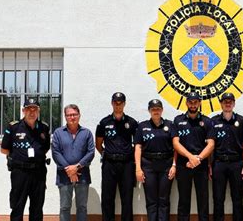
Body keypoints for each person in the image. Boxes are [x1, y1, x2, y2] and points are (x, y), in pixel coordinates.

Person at [0, 97, 51, 221]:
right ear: (23, 110)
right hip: (20, 172)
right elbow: (4, 149)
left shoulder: (44, 128)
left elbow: (45, 148)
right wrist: (19, 156)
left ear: (38, 111)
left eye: (35, 109)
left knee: (37, 207)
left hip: (39, 173)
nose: (32, 112)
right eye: (29, 109)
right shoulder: (14, 127)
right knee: (17, 207)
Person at [96, 92, 138, 221]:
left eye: (120, 103)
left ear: (124, 104)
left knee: (127, 198)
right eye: (115, 102)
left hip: (127, 164)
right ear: (112, 103)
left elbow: (137, 144)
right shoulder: (104, 122)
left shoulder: (132, 122)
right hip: (110, 164)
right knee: (107, 198)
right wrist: (107, 154)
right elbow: (98, 144)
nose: (118, 105)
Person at [173, 92, 215, 221]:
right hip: (183, 164)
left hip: (201, 165)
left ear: (199, 103)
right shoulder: (178, 120)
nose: (193, 105)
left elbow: (211, 144)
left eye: (195, 102)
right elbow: (175, 142)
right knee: (183, 200)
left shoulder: (207, 121)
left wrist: (198, 159)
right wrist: (191, 157)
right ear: (186, 103)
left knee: (203, 200)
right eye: (190, 102)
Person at [134, 99, 178, 221]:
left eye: (158, 109)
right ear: (149, 111)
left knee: (164, 199)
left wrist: (174, 165)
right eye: (153, 109)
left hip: (166, 165)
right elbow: (138, 147)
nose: (156, 111)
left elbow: (176, 147)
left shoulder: (170, 125)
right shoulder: (142, 126)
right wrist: (138, 168)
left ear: (162, 110)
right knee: (151, 199)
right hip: (148, 166)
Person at [51, 104, 95, 221]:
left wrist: (77, 167)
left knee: (82, 207)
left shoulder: (87, 133)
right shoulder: (58, 133)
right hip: (64, 175)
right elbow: (55, 152)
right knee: (65, 207)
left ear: (79, 115)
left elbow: (91, 152)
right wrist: (69, 170)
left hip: (83, 175)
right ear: (65, 117)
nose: (72, 117)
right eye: (69, 115)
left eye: (74, 114)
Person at [210, 92, 243, 221]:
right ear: (221, 103)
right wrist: (210, 165)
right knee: (218, 198)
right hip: (219, 164)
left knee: (237, 198)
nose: (228, 103)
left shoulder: (241, 121)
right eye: (225, 101)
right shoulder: (213, 121)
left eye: (230, 101)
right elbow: (210, 145)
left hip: (237, 164)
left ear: (234, 103)